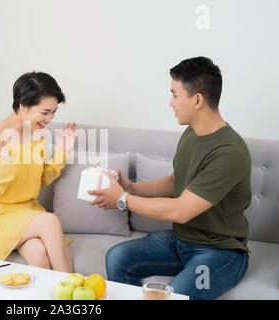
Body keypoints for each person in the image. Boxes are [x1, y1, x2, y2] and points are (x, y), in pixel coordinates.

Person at [88, 57, 251, 300]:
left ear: (197, 100)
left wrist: (122, 199)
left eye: (175, 95)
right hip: (181, 240)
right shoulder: (191, 133)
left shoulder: (229, 152)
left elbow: (181, 211)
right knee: (117, 257)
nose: (170, 103)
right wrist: (131, 188)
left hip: (219, 252)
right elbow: (177, 181)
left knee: (171, 297)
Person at [0, 71, 77, 272]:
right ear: (22, 106)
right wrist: (7, 164)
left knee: (39, 254)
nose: (50, 118)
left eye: (54, 112)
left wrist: (62, 151)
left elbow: (39, 180)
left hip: (26, 212)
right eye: (45, 112)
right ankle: (72, 287)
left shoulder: (37, 134)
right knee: (50, 221)